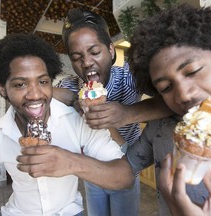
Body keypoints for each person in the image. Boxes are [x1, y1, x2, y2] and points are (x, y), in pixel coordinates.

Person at [0, 33, 135, 216]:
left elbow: (125, 176)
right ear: (3, 88)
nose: (35, 94)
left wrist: (71, 162)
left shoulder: (77, 121)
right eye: (20, 85)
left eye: (43, 82)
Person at [126, 3, 211, 215]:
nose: (184, 95)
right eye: (166, 87)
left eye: (193, 71)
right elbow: (125, 170)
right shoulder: (163, 129)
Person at [53, 8, 172, 216]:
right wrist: (73, 100)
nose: (87, 62)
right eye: (77, 57)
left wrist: (126, 113)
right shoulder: (70, 86)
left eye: (94, 52)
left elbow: (171, 102)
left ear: (110, 50)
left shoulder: (129, 75)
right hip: (92, 165)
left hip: (127, 161)